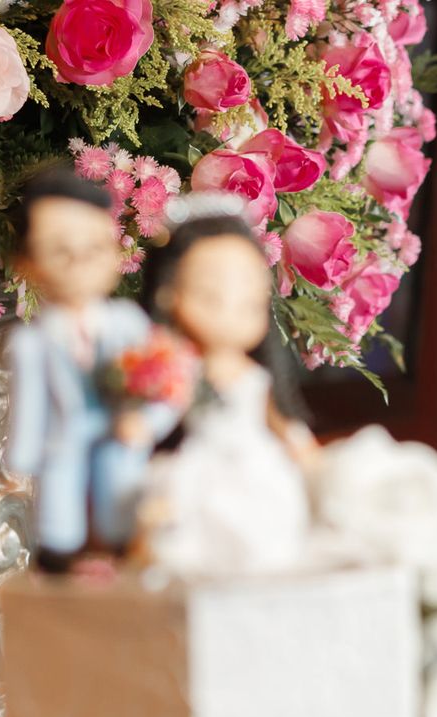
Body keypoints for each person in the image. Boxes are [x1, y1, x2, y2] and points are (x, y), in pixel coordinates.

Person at [129, 203, 320, 576]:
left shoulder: (253, 374)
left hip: (258, 467)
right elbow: (161, 412)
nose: (231, 309)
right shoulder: (181, 366)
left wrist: (305, 451)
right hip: (201, 466)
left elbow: (281, 421)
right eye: (211, 296)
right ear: (169, 294)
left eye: (250, 301)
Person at [2, 165, 167, 575]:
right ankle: (62, 565)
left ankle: (121, 556)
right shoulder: (32, 342)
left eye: (94, 249)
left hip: (120, 440)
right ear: (27, 262)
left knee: (122, 514)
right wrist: (19, 464)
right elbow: (29, 405)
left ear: (115, 255)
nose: (78, 262)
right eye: (59, 250)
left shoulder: (129, 324)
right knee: (59, 526)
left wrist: (148, 423)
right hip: (62, 445)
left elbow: (166, 381)